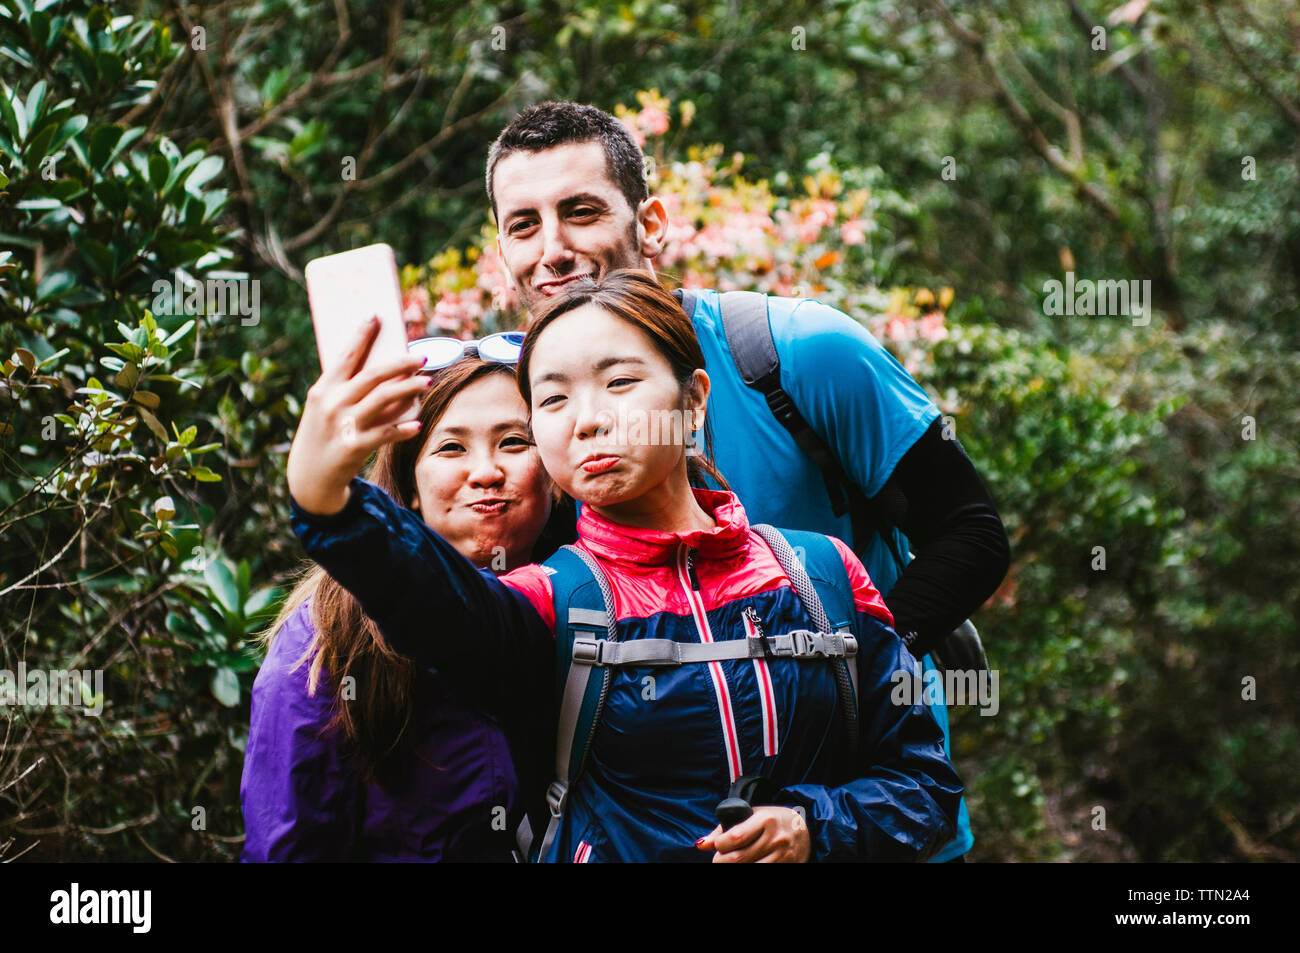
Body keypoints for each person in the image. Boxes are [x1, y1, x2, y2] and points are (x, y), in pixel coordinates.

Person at [287, 269, 964, 862]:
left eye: (619, 382)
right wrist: (331, 504)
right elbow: (433, 601)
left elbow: (925, 788)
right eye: (552, 399)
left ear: (694, 398)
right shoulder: (549, 600)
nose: (586, 419)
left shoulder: (820, 573)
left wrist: (811, 826)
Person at [483, 101, 1012, 860]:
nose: (554, 249)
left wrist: (845, 672)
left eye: (581, 211)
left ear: (652, 224)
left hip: (872, 816)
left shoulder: (793, 352)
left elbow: (972, 534)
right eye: (523, 224)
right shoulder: (525, 414)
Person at [241, 344, 569, 861]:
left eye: (512, 441)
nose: (485, 471)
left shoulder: (591, 598)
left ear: (552, 472)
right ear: (410, 484)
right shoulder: (326, 637)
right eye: (451, 449)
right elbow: (290, 842)